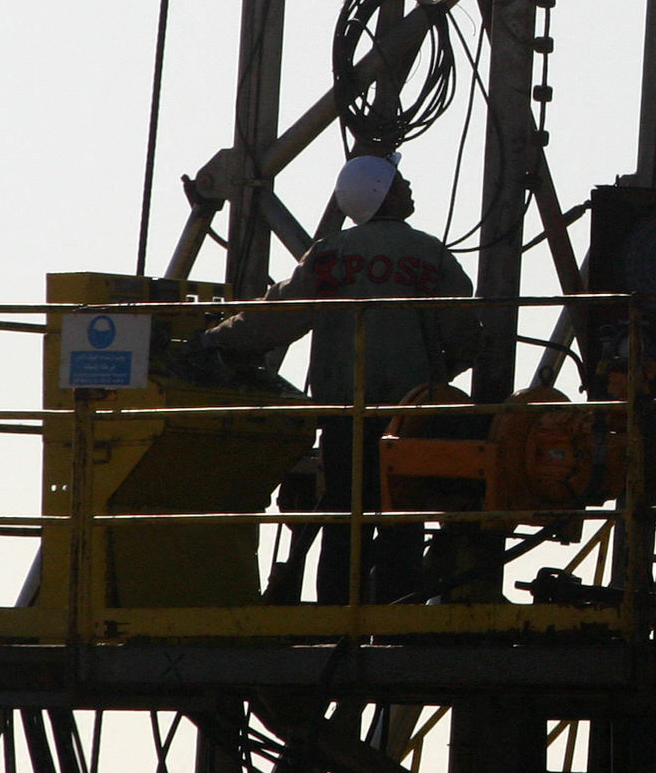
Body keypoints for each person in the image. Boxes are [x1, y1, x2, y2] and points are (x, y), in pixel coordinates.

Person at [197, 154, 482, 605]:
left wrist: (214, 338)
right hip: (410, 417)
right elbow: (466, 335)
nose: (408, 187)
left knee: (342, 517)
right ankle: (396, 614)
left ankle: (334, 613)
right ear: (381, 192)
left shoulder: (329, 255)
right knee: (402, 515)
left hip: (344, 413)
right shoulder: (429, 254)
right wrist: (443, 377)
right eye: (398, 181)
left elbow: (276, 318)